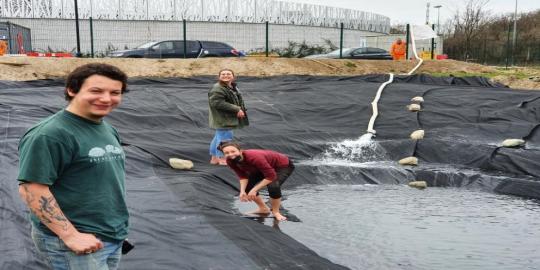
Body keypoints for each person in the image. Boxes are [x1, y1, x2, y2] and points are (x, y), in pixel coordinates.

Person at [17, 63, 130, 270]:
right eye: (96, 90)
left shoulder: (106, 128)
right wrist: (70, 235)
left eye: (115, 92)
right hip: (74, 241)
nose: (106, 98)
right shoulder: (50, 134)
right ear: (72, 90)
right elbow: (31, 189)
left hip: (110, 235)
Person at [218, 141, 294, 221]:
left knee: (273, 186)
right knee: (248, 188)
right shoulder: (230, 161)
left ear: (240, 151)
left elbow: (271, 176)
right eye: (227, 153)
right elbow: (242, 176)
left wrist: (255, 189)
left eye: (233, 151)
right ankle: (263, 209)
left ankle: (276, 212)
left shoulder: (254, 157)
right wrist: (242, 191)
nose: (230, 154)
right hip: (261, 168)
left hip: (282, 166)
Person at [208, 69, 249, 165]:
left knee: (218, 137)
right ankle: (222, 159)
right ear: (219, 77)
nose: (226, 75)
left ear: (233, 77)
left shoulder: (231, 86)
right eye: (223, 74)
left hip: (226, 117)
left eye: (228, 74)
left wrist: (240, 109)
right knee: (225, 138)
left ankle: (214, 159)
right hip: (223, 119)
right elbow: (217, 103)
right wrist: (237, 109)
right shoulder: (218, 88)